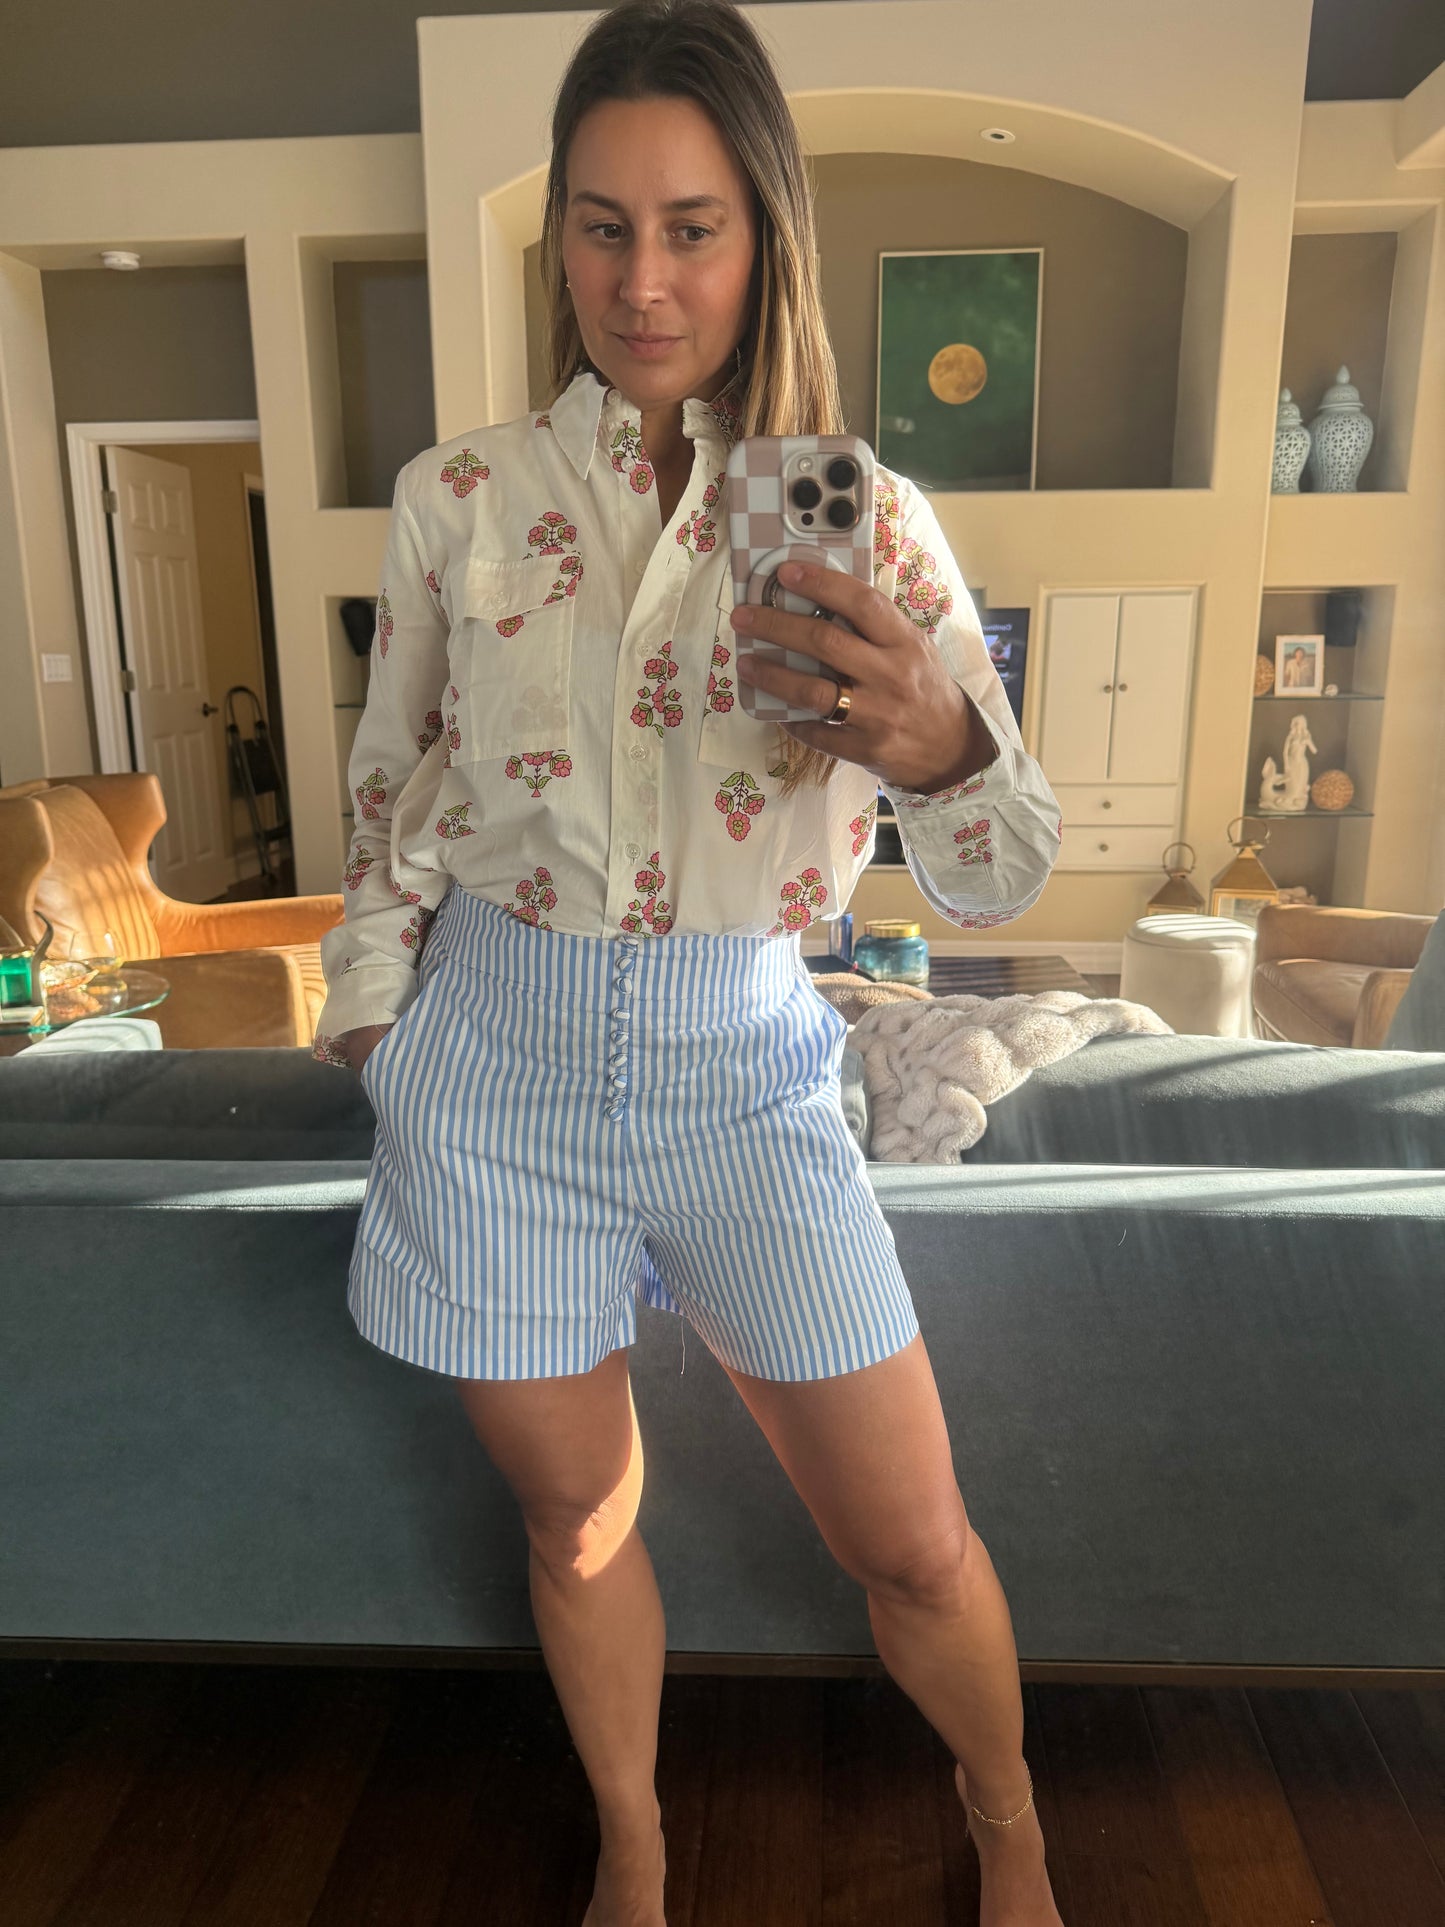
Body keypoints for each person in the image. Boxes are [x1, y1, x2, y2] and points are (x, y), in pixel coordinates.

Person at [312, 3, 1065, 1921]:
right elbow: (391, 789)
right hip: (495, 1066)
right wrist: (378, 1025)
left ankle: (1008, 1827)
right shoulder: (456, 499)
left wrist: (942, 750)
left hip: (747, 1067)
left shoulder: (867, 518)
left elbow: (1003, 873)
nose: (640, 282)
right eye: (601, 226)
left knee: (913, 1541)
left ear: (763, 237)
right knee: (576, 1522)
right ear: (557, 238)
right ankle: (635, 1853)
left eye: (692, 228)